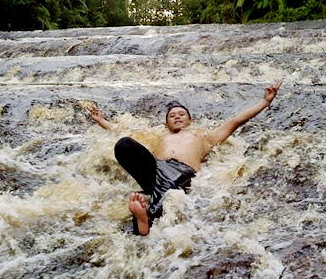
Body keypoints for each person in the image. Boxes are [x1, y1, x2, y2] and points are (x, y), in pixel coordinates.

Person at [89, 81, 283, 235]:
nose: (177, 117)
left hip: (181, 172)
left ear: (190, 121)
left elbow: (236, 121)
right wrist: (101, 121)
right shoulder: (159, 136)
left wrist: (265, 102)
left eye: (182, 114)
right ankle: (144, 215)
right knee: (124, 144)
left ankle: (143, 221)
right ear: (165, 124)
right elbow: (124, 130)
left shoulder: (205, 137)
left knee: (164, 194)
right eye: (172, 115)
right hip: (155, 169)